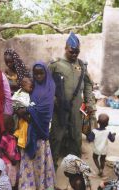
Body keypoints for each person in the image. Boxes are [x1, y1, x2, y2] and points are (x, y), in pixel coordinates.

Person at [48, 32, 95, 169]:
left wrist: (90, 103)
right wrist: (53, 100)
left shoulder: (81, 65)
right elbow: (46, 85)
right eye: (72, 51)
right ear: (65, 48)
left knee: (76, 136)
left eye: (77, 52)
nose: (75, 54)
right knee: (57, 136)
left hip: (76, 107)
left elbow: (87, 84)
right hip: (59, 107)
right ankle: (52, 167)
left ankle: (75, 168)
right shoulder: (55, 65)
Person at [16, 61, 56, 190]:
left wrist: (28, 111)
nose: (38, 76)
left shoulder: (50, 87)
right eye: (36, 73)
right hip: (28, 132)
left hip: (41, 133)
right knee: (29, 162)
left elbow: (46, 111)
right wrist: (20, 111)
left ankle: (42, 185)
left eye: (41, 73)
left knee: (40, 161)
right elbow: (20, 103)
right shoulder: (30, 87)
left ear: (46, 73)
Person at [12, 77, 34, 148]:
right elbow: (26, 104)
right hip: (20, 115)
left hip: (18, 114)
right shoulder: (24, 95)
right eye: (30, 87)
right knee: (23, 127)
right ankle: (21, 142)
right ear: (24, 86)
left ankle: (18, 137)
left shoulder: (20, 91)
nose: (31, 89)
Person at [0, 115, 20, 188]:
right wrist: (11, 158)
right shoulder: (5, 137)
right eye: (11, 124)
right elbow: (3, 149)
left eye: (13, 124)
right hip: (8, 162)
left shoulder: (14, 136)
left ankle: (13, 186)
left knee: (14, 175)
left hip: (14, 160)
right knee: (8, 176)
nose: (13, 126)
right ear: (6, 126)